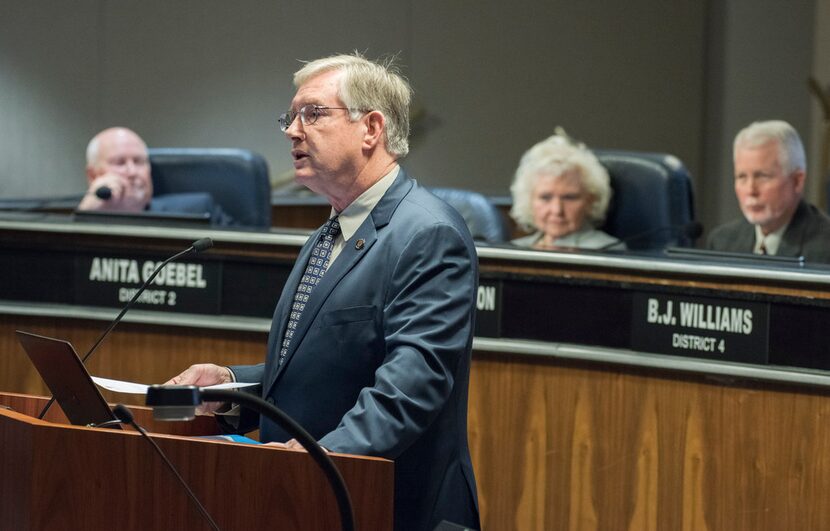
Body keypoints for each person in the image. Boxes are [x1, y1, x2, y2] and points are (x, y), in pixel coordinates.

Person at [166, 53, 480, 531]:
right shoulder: (330, 231)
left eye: (312, 114)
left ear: (371, 128)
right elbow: (326, 371)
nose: (293, 130)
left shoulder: (427, 233)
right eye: (290, 117)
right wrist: (229, 387)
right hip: (311, 504)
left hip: (394, 508)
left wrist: (320, 456)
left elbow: (412, 386)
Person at [706, 120, 830, 262]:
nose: (751, 190)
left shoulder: (825, 249)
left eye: (762, 176)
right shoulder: (722, 243)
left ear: (797, 181)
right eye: (742, 177)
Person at [77, 127, 234, 225]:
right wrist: (85, 215)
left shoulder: (198, 210)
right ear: (93, 175)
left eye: (139, 162)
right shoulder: (74, 215)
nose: (132, 172)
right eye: (119, 162)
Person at [509, 130, 623, 250]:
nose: (557, 210)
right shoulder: (516, 249)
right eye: (545, 197)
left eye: (570, 197)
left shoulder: (607, 250)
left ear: (590, 200)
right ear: (529, 201)